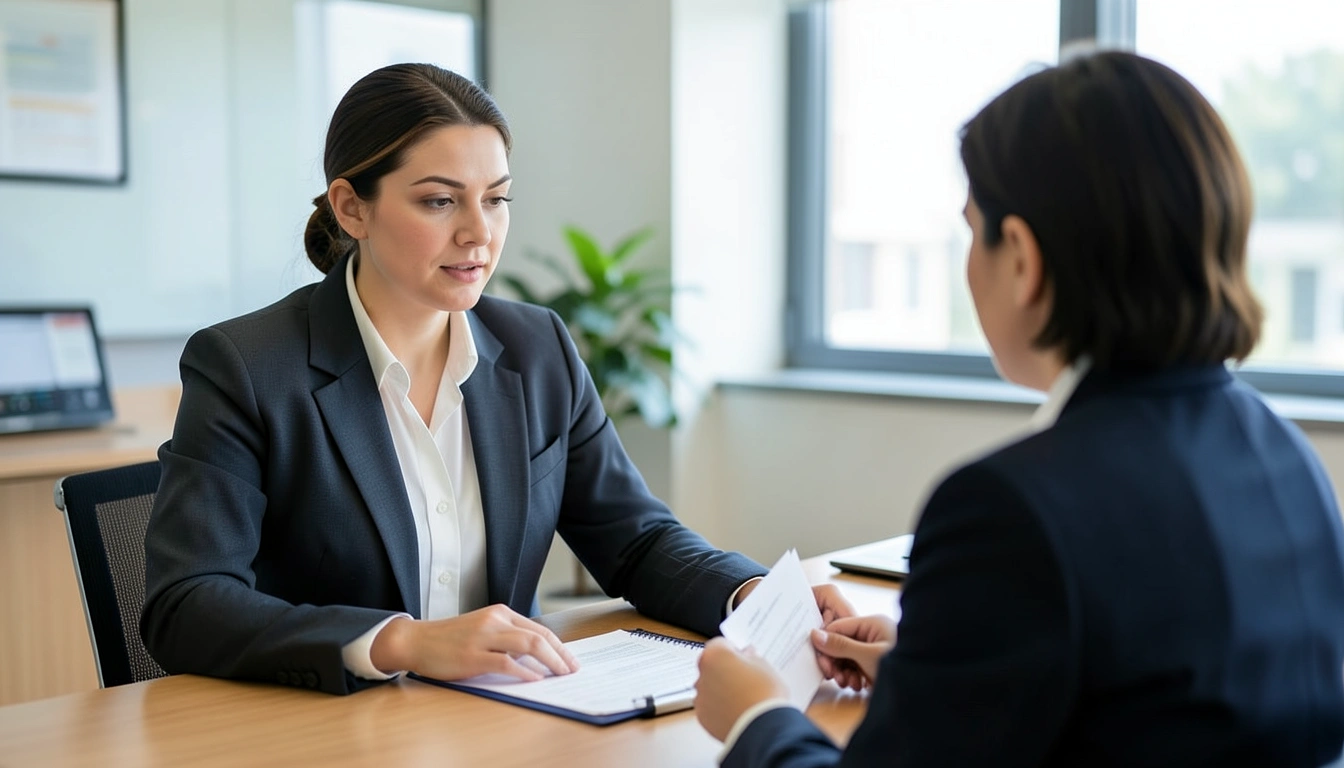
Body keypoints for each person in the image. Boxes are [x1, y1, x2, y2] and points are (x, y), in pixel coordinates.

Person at [694, 51, 1344, 767]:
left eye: (974, 230)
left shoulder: (1007, 509)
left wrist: (756, 717)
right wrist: (942, 674)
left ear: (1024, 260)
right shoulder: (1286, 459)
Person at [140, 63, 851, 695]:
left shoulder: (536, 347)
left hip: (505, 718)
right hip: (333, 730)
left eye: (497, 198)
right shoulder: (247, 365)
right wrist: (403, 642)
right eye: (439, 201)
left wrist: (761, 599)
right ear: (352, 207)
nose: (479, 233)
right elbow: (188, 602)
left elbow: (634, 541)